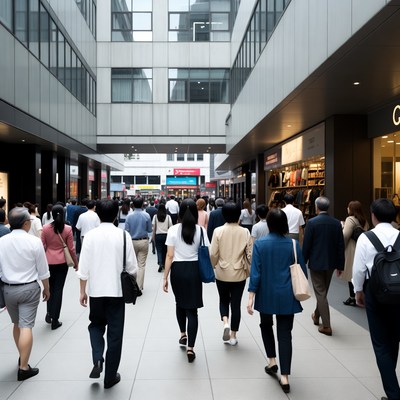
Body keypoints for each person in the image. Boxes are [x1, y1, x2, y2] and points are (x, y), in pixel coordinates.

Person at [78, 199, 138, 389]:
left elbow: (83, 268)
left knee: (95, 325)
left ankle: (97, 358)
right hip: (117, 292)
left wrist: (82, 291)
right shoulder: (123, 235)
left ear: (97, 214)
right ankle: (110, 377)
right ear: (116, 214)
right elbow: (132, 268)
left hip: (96, 291)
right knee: (115, 334)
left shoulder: (90, 236)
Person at [247, 208, 306, 394]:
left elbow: (256, 272)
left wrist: (250, 296)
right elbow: (302, 270)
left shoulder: (260, 244)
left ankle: (272, 360)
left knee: (265, 325)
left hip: (266, 293)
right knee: (285, 334)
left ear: (269, 224)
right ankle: (285, 377)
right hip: (287, 294)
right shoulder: (294, 245)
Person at [353, 198, 400, 400]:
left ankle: (393, 393)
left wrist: (358, 291)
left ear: (373, 216)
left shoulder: (366, 237)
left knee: (380, 343)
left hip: (376, 291)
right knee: (394, 339)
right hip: (399, 291)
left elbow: (359, 269)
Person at [0, 207, 50, 381]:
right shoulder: (34, 242)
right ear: (27, 223)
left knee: (17, 323)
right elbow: (43, 270)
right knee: (26, 325)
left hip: (8, 289)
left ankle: (22, 354)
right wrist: (47, 288)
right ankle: (23, 367)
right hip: (29, 288)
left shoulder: (2, 241)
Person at [163, 198, 209, 363]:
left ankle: (183, 333)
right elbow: (207, 252)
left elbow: (169, 255)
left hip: (178, 270)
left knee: (179, 303)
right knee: (193, 311)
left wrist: (165, 277)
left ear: (180, 212)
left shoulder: (173, 230)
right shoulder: (201, 231)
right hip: (194, 270)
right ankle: (190, 348)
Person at [210, 201, 253, 346]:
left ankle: (225, 322)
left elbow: (213, 253)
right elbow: (250, 254)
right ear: (238, 215)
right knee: (236, 304)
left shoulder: (218, 231)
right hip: (239, 273)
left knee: (223, 300)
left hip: (222, 272)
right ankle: (233, 335)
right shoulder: (245, 231)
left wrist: (214, 265)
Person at [302, 196, 345, 336]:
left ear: (316, 207)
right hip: (331, 262)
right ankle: (316, 315)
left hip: (316, 262)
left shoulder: (312, 223)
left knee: (320, 292)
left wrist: (303, 261)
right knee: (323, 291)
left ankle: (326, 326)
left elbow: (307, 245)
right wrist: (340, 265)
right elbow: (340, 245)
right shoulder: (336, 223)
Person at [41, 204, 78, 330]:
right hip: (62, 263)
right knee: (58, 290)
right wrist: (76, 263)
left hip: (48, 262)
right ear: (64, 214)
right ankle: (55, 319)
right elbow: (71, 249)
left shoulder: (45, 228)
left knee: (49, 288)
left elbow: (42, 246)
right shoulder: (67, 229)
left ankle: (49, 313)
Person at [341, 200, 369, 306]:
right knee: (360, 273)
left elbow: (345, 235)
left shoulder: (350, 219)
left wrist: (343, 227)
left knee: (350, 273)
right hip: (362, 248)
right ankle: (361, 295)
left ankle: (352, 297)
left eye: (348, 207)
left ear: (351, 209)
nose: (347, 209)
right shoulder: (364, 220)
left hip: (352, 249)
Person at [125, 197, 152, 292]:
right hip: (143, 241)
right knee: (141, 265)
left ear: (132, 205)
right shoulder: (147, 215)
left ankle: (132, 286)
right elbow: (149, 230)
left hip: (132, 241)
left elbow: (126, 231)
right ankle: (139, 287)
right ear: (142, 205)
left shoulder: (129, 216)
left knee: (132, 264)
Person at [152, 203, 172, 273]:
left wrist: (153, 237)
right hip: (166, 236)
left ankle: (160, 263)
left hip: (158, 236)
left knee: (159, 251)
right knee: (165, 251)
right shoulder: (168, 217)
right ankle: (164, 264)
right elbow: (170, 227)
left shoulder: (155, 217)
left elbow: (154, 228)